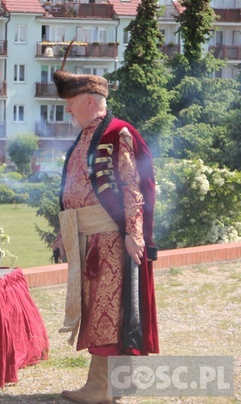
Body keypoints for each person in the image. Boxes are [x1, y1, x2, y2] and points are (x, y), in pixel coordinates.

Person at [51, 70, 159, 404]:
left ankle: (100, 388)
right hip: (88, 236)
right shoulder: (88, 134)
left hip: (110, 239)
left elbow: (132, 186)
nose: (68, 111)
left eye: (70, 104)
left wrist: (133, 233)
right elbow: (77, 189)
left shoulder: (116, 133)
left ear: (87, 100)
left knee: (107, 314)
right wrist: (63, 233)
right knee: (104, 311)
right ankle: (118, 384)